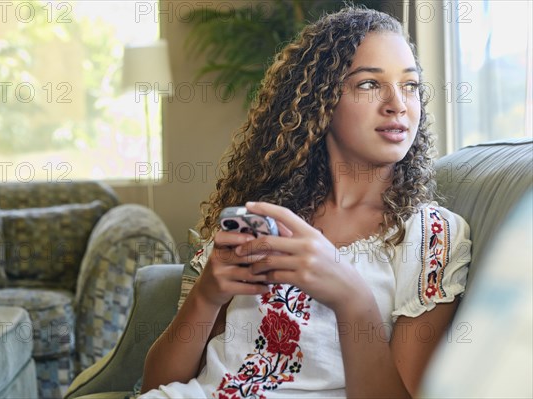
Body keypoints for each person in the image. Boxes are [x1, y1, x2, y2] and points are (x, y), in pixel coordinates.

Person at [140, 6, 471, 399]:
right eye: (369, 84)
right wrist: (207, 295)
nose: (397, 104)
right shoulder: (264, 217)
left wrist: (351, 298)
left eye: (411, 86)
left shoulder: (430, 238)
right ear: (322, 99)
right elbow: (156, 386)